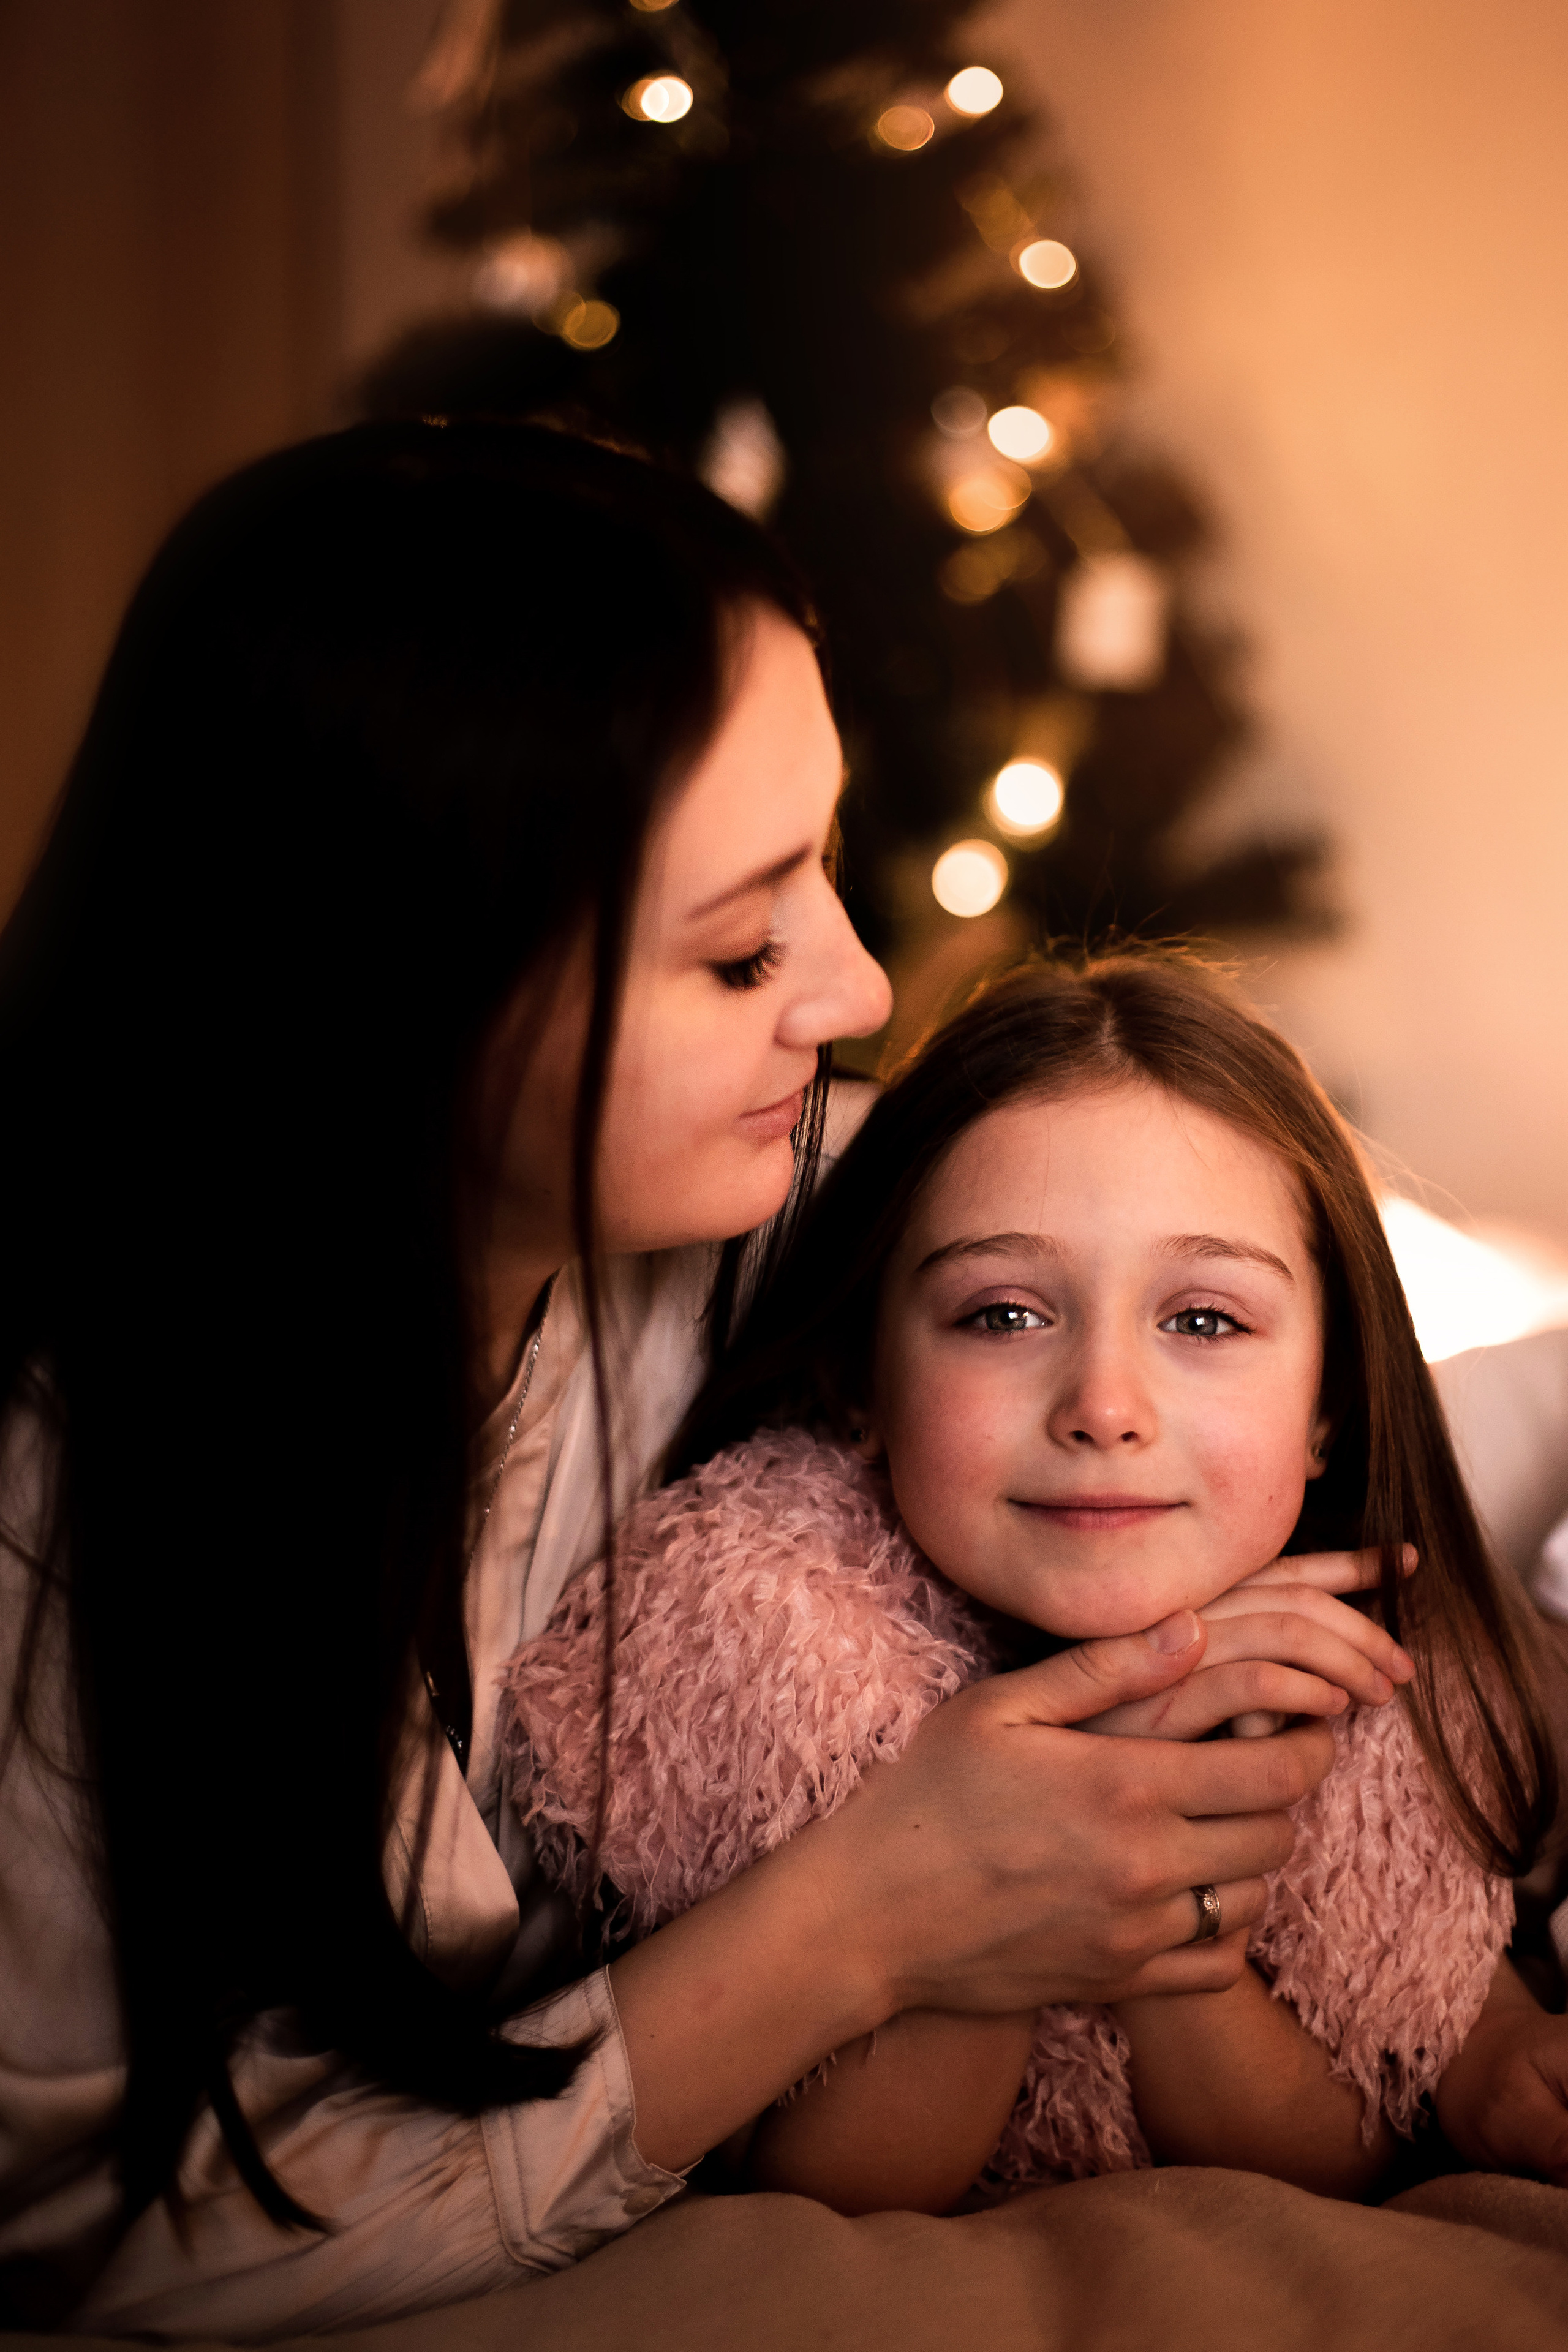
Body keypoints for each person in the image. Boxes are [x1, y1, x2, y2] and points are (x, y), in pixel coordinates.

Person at [0, 421, 1381, 2342]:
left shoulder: (780, 1201)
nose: (859, 989)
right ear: (400, 999)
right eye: (738, 950)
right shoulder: (64, 1512)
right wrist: (878, 1909)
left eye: (820, 865)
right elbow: (132, 2240)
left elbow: (1197, 1268)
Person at [500, 953, 1566, 2212]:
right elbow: (838, 2188)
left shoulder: (1371, 1670)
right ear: (862, 1383)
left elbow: (1337, 2164)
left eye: (1203, 1322)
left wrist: (1147, 1853)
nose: (1104, 1407)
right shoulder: (758, 1622)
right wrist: (1041, 1834)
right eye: (1003, 1315)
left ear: (1327, 1405)